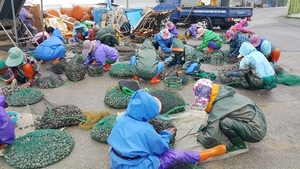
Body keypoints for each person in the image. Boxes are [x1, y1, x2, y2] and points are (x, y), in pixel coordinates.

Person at [107, 89, 227, 169]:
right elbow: (160, 148)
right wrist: (166, 134)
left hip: (116, 161)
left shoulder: (122, 119)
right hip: (136, 165)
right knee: (174, 155)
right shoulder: (145, 129)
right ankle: (209, 153)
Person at [193, 78, 267, 152]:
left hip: (256, 131)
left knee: (224, 122)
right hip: (260, 121)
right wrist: (208, 127)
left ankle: (240, 145)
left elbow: (212, 138)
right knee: (224, 117)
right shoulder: (224, 93)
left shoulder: (218, 106)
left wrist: (201, 137)